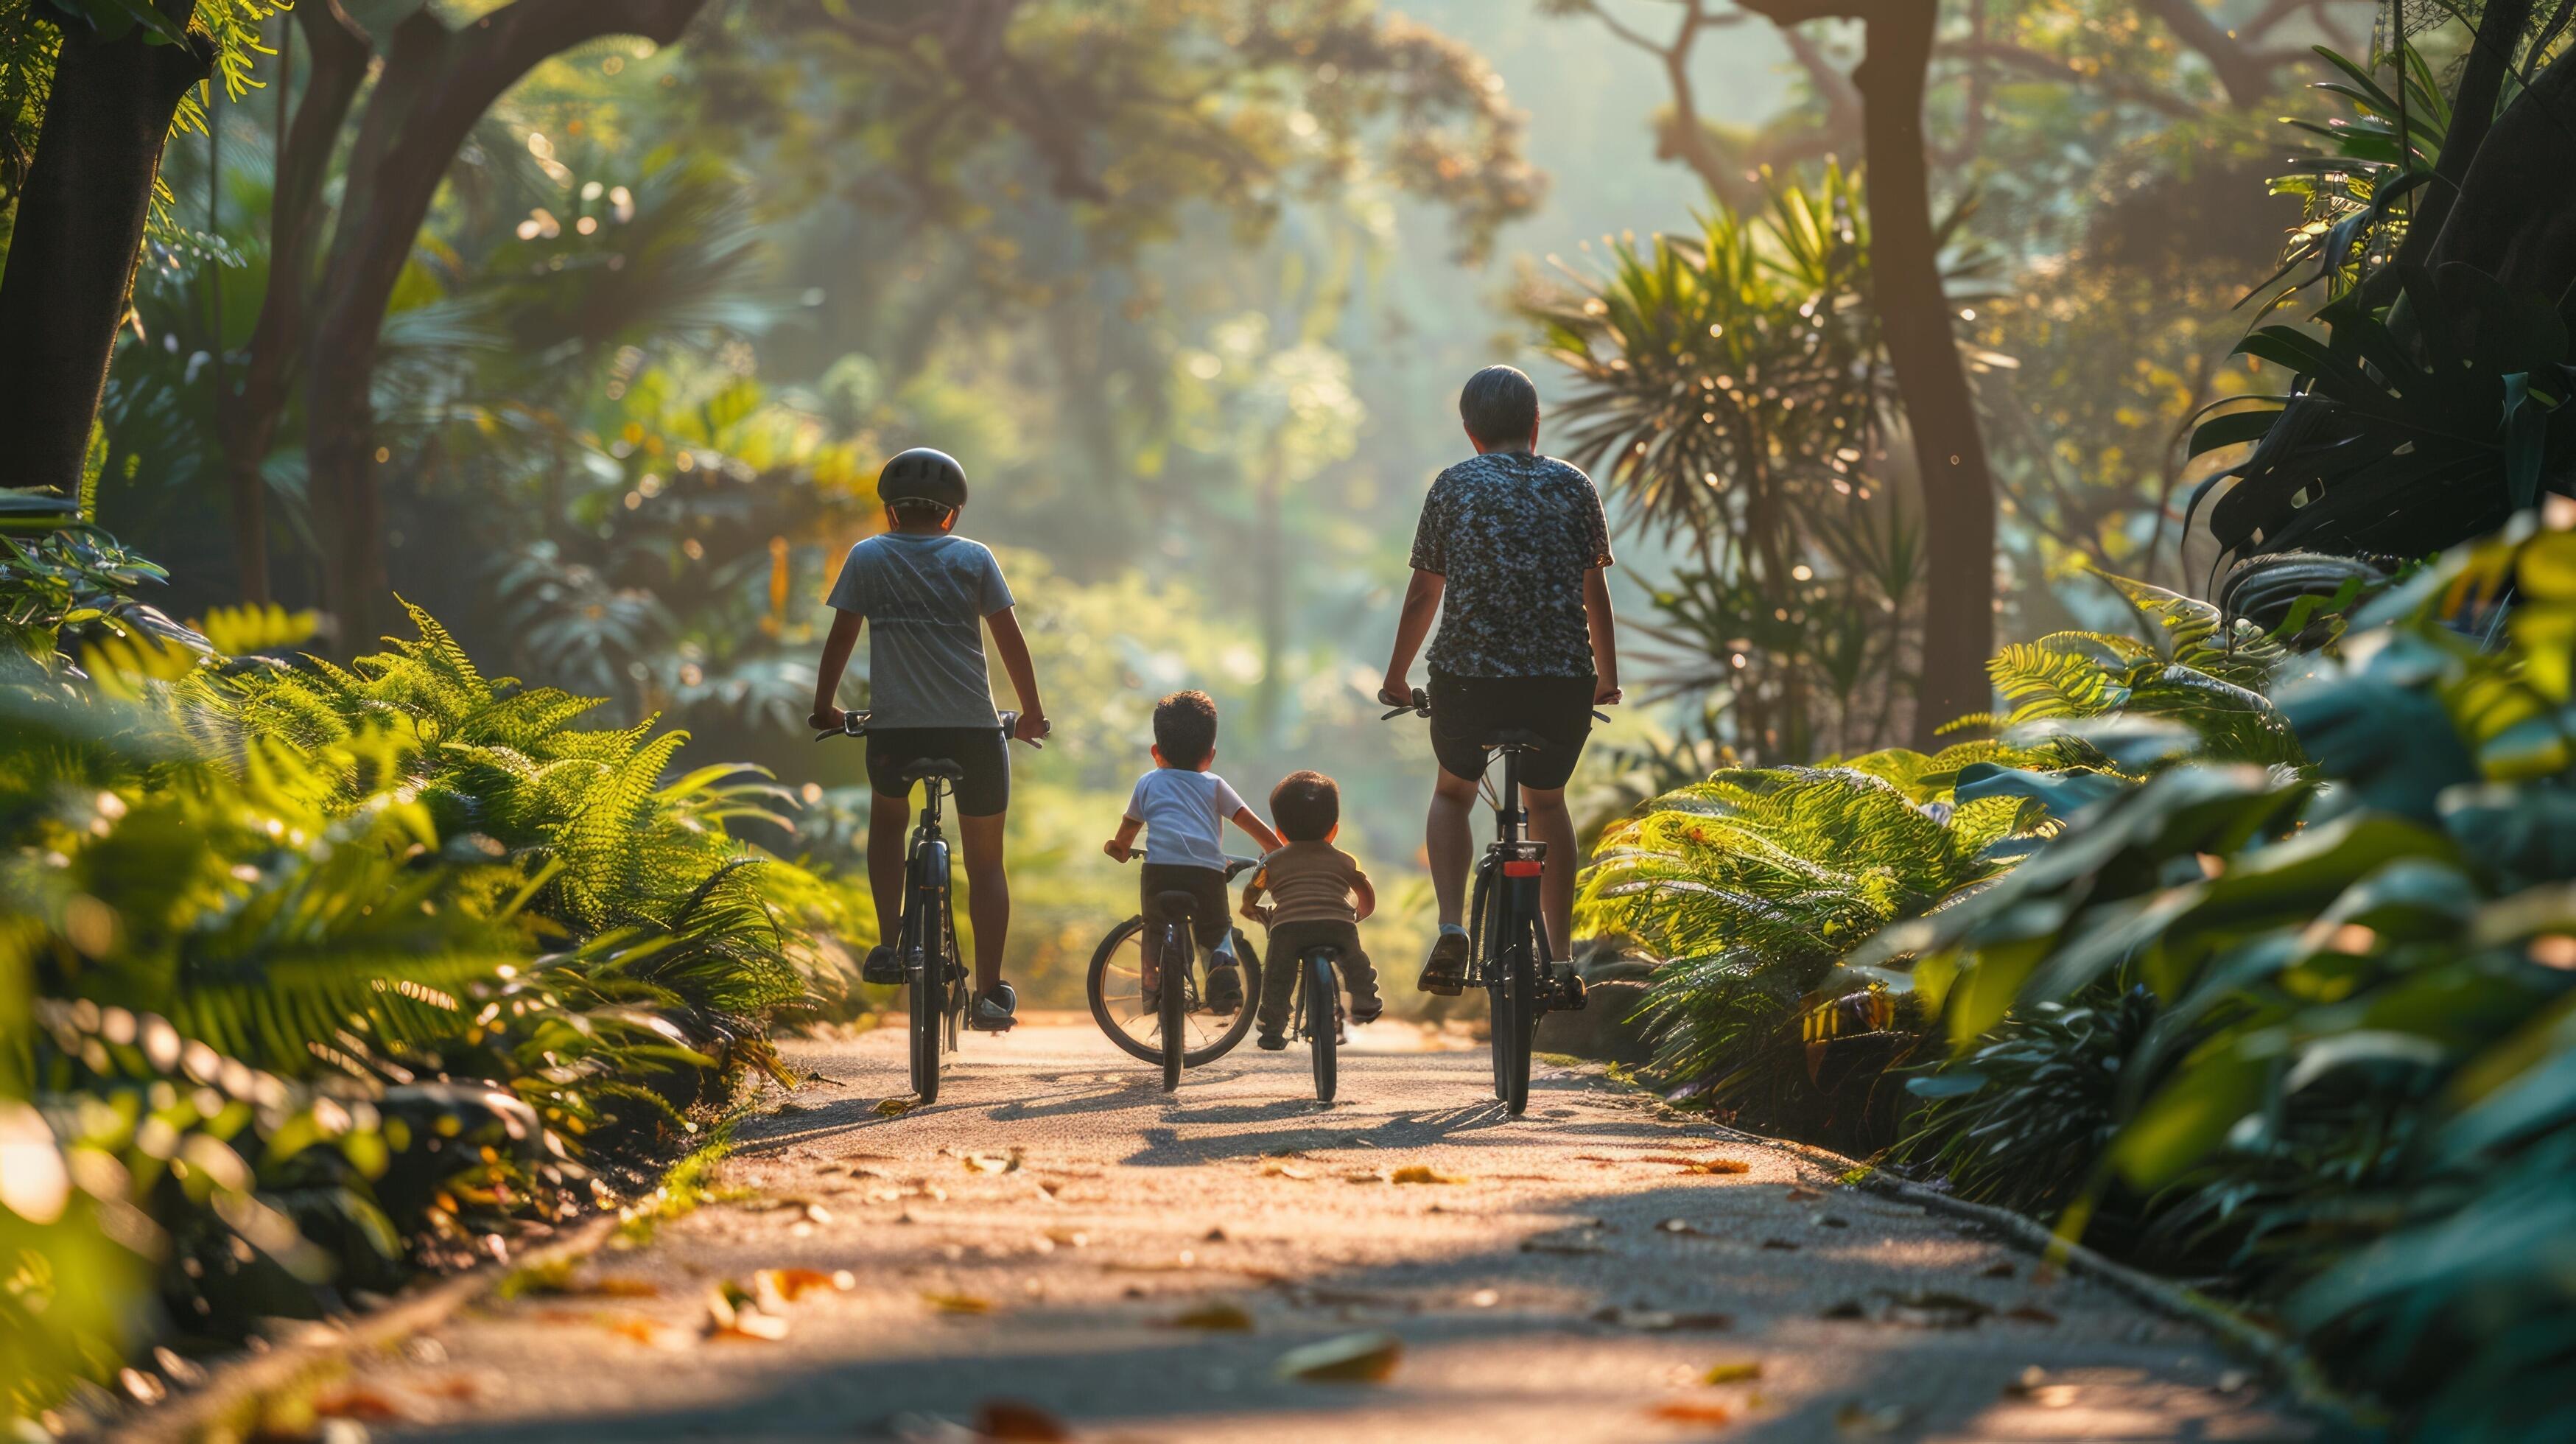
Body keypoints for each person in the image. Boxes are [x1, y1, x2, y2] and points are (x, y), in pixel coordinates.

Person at [1378, 365, 1620, 996]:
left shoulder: (1452, 486)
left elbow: (1422, 595)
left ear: (1470, 432)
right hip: (1561, 682)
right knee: (1547, 802)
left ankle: (1454, 927)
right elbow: (1595, 593)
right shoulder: (1574, 486)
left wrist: (1397, 678)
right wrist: (1606, 679)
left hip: (1467, 683)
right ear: (1536, 426)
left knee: (1454, 794)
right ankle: (1563, 963)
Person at [809, 446, 1049, 1033]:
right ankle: (991, 992)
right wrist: (1033, 714)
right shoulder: (974, 558)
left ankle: (890, 945)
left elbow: (842, 637)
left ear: (890, 511)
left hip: (896, 731)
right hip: (974, 731)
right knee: (986, 862)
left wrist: (825, 708)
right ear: (953, 515)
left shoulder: (867, 556)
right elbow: (1009, 641)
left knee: (890, 823)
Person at [1101, 690, 1281, 1017]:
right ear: (1210, 755)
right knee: (1215, 928)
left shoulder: (1147, 783)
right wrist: (1277, 851)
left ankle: (1152, 987)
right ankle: (1223, 975)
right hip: (1206, 873)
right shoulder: (1214, 785)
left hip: (1160, 872)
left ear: (1156, 752)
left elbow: (1127, 832)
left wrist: (1120, 849)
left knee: (1154, 927)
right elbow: (1251, 824)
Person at [1239, 771, 1381, 1051]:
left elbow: (1254, 889)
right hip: (1337, 925)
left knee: (1278, 977)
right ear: (1334, 830)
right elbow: (1364, 892)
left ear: (1279, 832)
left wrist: (1249, 907)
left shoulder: (1272, 862)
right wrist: (1360, 914)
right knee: (1355, 963)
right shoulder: (1342, 860)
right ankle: (1365, 1001)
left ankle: (1272, 1026)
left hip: (1289, 929)